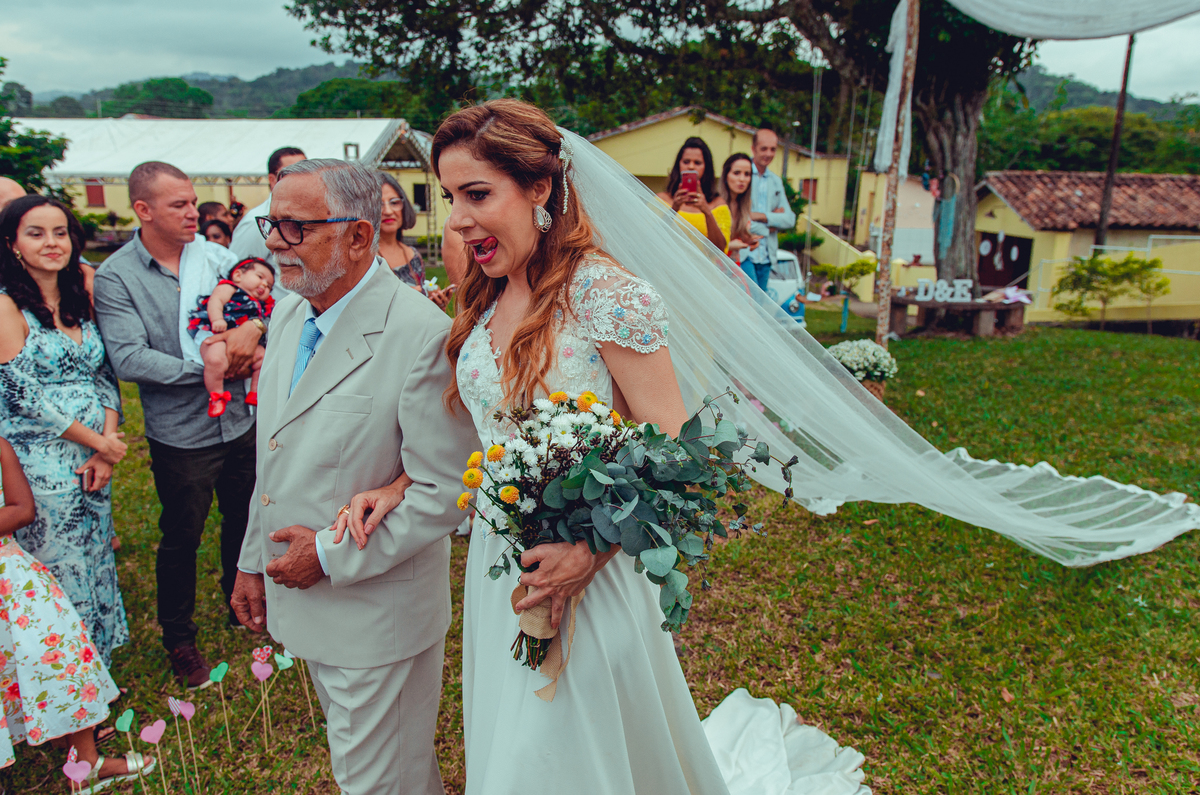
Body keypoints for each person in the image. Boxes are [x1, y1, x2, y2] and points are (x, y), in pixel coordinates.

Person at [344, 99, 870, 794]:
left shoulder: (606, 294)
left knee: (564, 755)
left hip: (592, 575)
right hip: (499, 569)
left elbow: (683, 452)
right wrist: (399, 486)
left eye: (477, 194)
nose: (460, 218)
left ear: (539, 187)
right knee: (516, 747)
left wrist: (586, 553)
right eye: (449, 198)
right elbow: (484, 434)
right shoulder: (482, 295)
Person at [229, 158, 477, 795]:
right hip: (307, 605)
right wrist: (252, 561)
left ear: (360, 236)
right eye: (270, 224)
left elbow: (444, 489)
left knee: (377, 783)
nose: (275, 244)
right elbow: (276, 453)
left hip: (376, 617)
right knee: (396, 777)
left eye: (295, 228)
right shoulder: (289, 312)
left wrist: (329, 557)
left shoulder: (420, 335)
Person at [93, 161, 259, 689]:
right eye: (179, 205)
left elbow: (264, 304)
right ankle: (180, 638)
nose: (194, 213)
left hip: (239, 419)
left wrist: (253, 327)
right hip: (181, 432)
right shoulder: (118, 276)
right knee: (182, 534)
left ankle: (241, 607)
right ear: (143, 210)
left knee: (243, 518)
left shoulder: (217, 259)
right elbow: (130, 359)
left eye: (193, 202)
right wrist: (208, 368)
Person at [0, 195, 130, 667]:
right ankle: (65, 681)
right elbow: (23, 396)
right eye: (36, 233)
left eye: (61, 232)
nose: (52, 243)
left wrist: (106, 447)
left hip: (93, 457)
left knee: (96, 554)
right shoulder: (7, 306)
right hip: (41, 462)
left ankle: (98, 667)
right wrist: (99, 441)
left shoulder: (77, 299)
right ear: (13, 243)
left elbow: (103, 375)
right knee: (60, 566)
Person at [0, 436, 156, 786]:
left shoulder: (0, 448)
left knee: (60, 653)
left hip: (7, 574)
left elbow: (22, 509)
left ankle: (88, 763)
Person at [186, 258, 275, 416]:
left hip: (244, 340)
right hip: (217, 332)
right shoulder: (230, 288)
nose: (263, 285)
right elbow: (216, 301)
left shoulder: (261, 305)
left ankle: (255, 392)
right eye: (260, 277)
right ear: (238, 275)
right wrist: (217, 319)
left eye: (268, 286)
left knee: (263, 357)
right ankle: (217, 395)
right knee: (215, 359)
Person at [378, 172, 454, 310]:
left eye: (394, 202)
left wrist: (436, 305)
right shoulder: (364, 260)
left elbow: (421, 310)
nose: (388, 211)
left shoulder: (413, 255)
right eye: (379, 204)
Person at [229, 146, 306, 276]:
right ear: (272, 180)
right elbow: (239, 274)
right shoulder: (255, 222)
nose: (302, 179)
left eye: (306, 172)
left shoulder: (312, 213)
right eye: (292, 174)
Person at [741, 128, 797, 292]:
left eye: (772, 149)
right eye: (763, 148)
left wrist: (760, 216)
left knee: (759, 311)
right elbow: (740, 220)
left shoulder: (775, 181)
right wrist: (772, 224)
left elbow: (789, 219)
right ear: (753, 148)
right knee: (748, 305)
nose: (768, 153)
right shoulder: (742, 175)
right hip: (745, 254)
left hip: (766, 257)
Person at [656, 137, 729, 251]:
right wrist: (674, 209)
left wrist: (707, 212)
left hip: (702, 268)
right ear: (678, 164)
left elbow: (720, 250)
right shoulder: (661, 200)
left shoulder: (717, 204)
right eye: (686, 162)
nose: (691, 166)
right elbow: (652, 237)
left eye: (697, 163)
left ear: (706, 167)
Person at [717, 153, 759, 260]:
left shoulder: (745, 204)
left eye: (747, 174)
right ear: (726, 175)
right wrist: (730, 245)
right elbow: (704, 242)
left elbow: (740, 233)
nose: (742, 179)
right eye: (736, 173)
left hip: (733, 264)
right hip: (713, 264)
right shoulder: (714, 203)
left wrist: (749, 241)